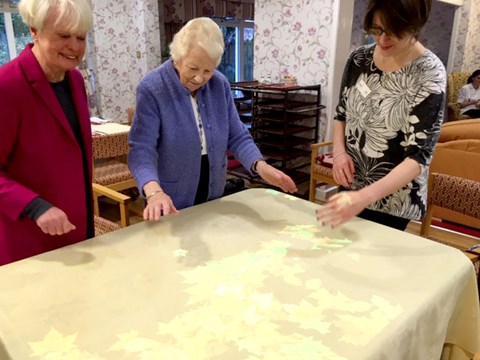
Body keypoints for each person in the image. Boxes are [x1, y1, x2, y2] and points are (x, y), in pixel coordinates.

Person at [128, 17, 297, 220]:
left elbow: (236, 135)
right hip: (168, 198)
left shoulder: (219, 84)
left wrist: (261, 166)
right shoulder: (152, 89)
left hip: (213, 189)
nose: (200, 78)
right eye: (193, 68)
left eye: (207, 70)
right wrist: (154, 192)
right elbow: (141, 150)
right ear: (177, 57)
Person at [316, 0, 446, 231]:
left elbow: (418, 158)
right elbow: (341, 114)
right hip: (352, 183)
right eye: (377, 29)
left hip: (394, 199)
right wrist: (338, 154)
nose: (383, 40)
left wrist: (363, 197)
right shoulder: (359, 59)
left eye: (395, 31)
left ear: (415, 25)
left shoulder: (429, 72)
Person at [0, 0, 94, 265]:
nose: (74, 47)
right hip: (31, 239)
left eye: (81, 37)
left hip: (77, 227)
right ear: (34, 31)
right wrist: (35, 206)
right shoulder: (7, 85)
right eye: (64, 35)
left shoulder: (74, 80)